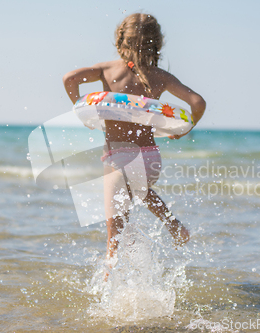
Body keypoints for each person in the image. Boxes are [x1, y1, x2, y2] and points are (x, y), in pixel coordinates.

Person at [62, 13, 206, 272]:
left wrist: (80, 109)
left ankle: (109, 296)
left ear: (120, 41)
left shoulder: (107, 70)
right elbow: (198, 103)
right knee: (138, 192)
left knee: (113, 242)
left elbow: (69, 78)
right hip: (150, 157)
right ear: (157, 45)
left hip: (118, 158)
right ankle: (174, 227)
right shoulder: (160, 76)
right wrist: (186, 129)